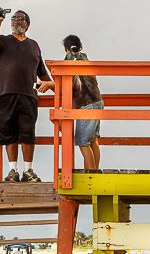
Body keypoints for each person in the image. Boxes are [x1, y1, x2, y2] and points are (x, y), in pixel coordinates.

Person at [0, 9, 52, 182]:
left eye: (20, 19)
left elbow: (42, 73)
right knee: (9, 133)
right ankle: (13, 171)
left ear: (27, 24)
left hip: (28, 94)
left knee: (27, 133)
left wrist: (58, 89)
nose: (16, 22)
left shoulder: (34, 45)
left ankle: (28, 170)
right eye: (14, 19)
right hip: (4, 92)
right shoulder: (3, 39)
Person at [40, 35, 103, 170]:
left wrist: (50, 84)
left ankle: (92, 174)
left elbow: (68, 86)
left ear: (66, 49)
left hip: (86, 105)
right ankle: (95, 171)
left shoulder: (69, 60)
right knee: (93, 140)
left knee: (82, 141)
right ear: (81, 47)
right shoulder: (85, 58)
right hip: (98, 101)